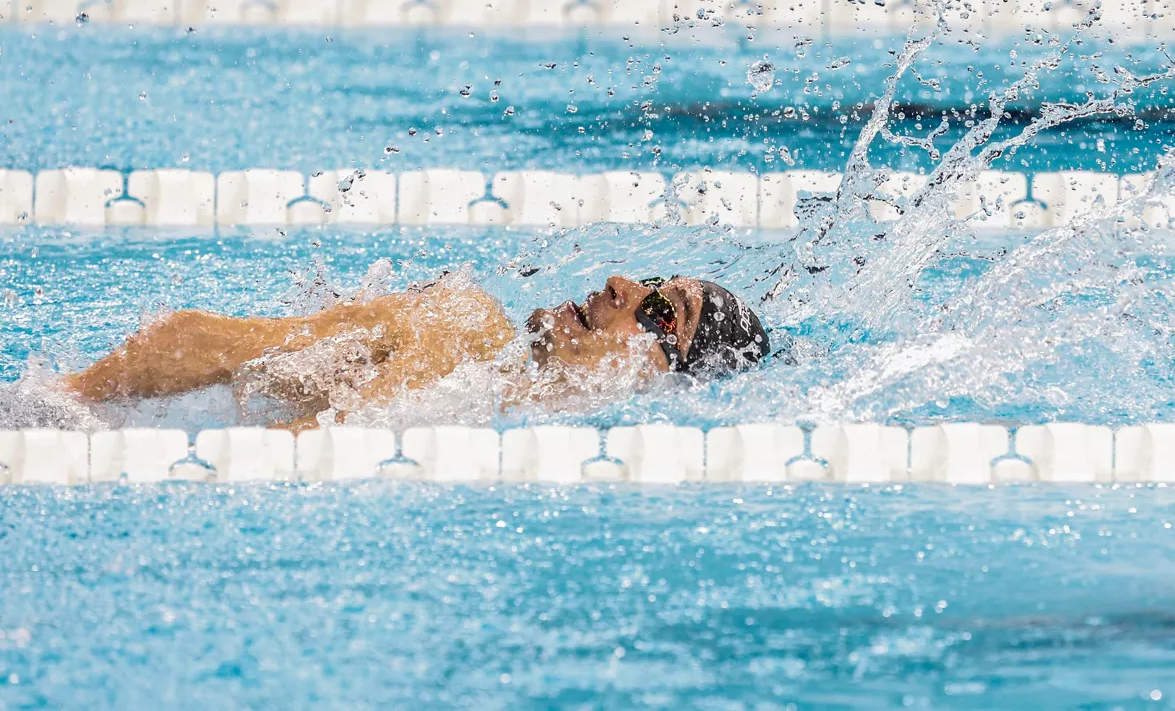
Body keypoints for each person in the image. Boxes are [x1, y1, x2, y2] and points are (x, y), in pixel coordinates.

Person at [61, 274, 770, 431]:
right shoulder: (476, 330)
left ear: (656, 364)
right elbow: (196, 338)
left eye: (657, 308)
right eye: (649, 282)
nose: (622, 282)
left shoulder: (498, 388)